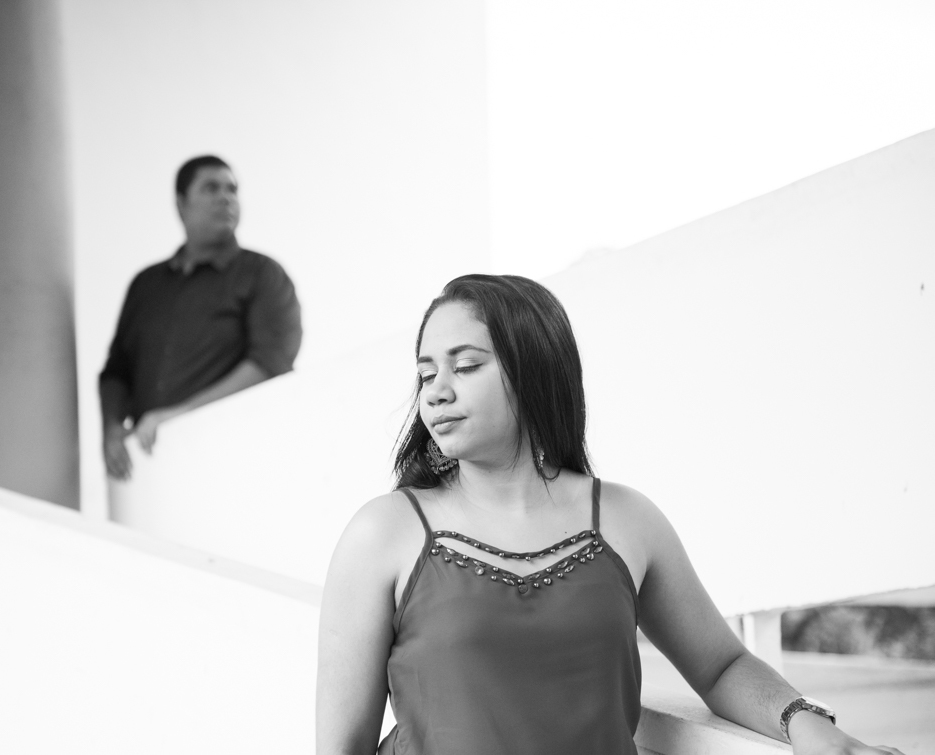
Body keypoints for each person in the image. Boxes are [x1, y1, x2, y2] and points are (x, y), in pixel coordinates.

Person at [317, 274, 905, 755]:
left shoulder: (628, 520)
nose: (435, 391)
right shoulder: (383, 533)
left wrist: (807, 724)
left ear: (533, 369)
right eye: (426, 373)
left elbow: (721, 665)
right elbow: (341, 747)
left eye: (465, 366)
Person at [99, 155, 302, 480]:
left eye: (232, 189)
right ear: (181, 204)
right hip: (149, 474)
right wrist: (111, 429)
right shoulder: (146, 286)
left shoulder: (263, 275)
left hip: (235, 465)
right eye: (211, 188)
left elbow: (271, 364)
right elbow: (116, 372)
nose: (226, 197)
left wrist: (177, 416)